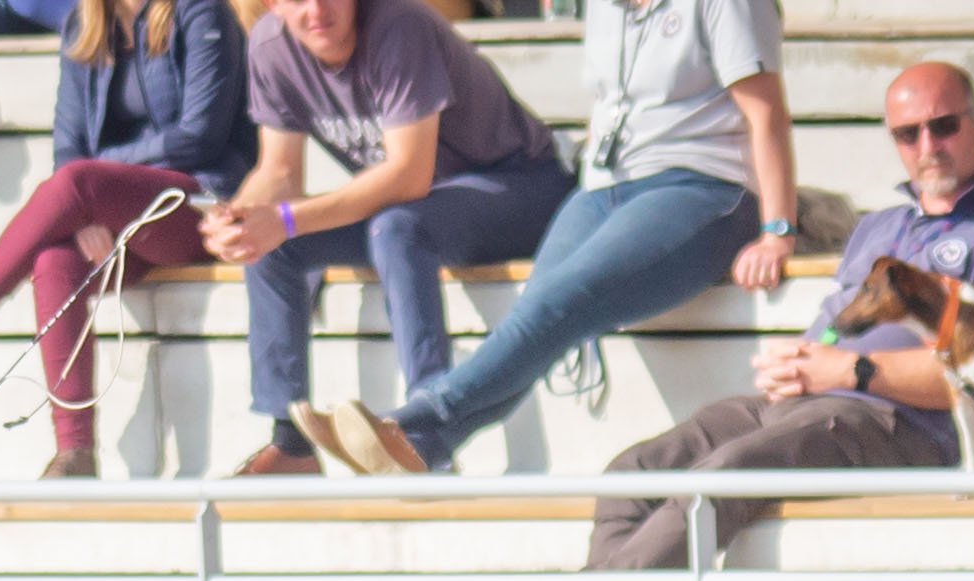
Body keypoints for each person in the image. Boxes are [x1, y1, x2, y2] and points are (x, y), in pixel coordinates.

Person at [448, 57, 974, 581]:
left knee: (725, 474)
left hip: (902, 424)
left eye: (943, 126)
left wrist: (848, 371)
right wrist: (800, 357)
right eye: (909, 133)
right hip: (808, 399)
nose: (927, 145)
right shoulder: (879, 226)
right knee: (633, 472)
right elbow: (838, 322)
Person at [293, 0, 796, 476]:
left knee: (560, 300)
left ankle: (412, 420)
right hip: (602, 187)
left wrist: (777, 231)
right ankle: (429, 447)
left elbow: (767, 114)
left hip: (700, 185)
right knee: (537, 313)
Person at [0, 0, 249, 478]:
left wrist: (97, 190)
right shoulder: (84, 24)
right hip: (117, 214)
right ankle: (75, 451)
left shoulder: (201, 13)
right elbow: (68, 143)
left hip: (201, 205)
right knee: (53, 259)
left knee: (75, 183)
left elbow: (199, 136)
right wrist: (89, 210)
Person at [201, 0, 568, 477]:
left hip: (519, 185)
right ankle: (291, 444)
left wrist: (286, 218)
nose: (317, 10)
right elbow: (280, 171)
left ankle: (425, 436)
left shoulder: (400, 26)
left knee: (396, 228)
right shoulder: (270, 46)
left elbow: (409, 174)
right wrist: (241, 218)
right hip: (415, 208)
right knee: (275, 244)